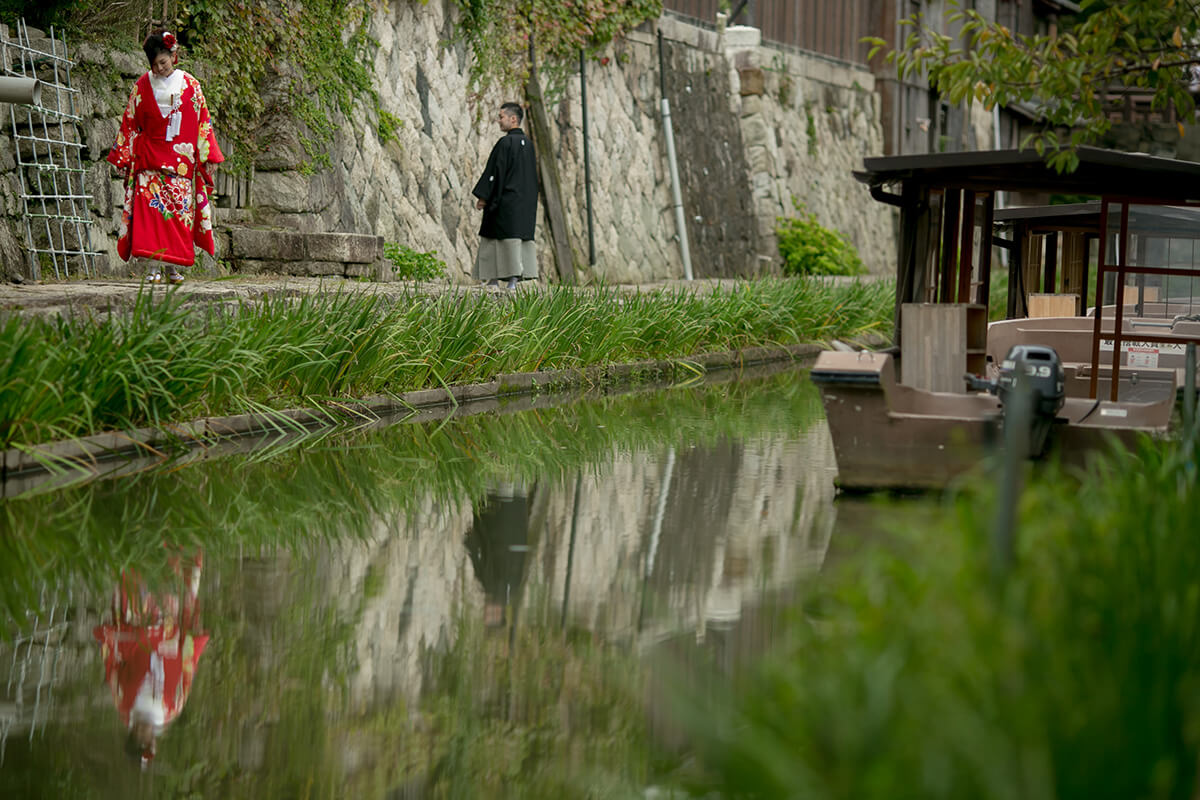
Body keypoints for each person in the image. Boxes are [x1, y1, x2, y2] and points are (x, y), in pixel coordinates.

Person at [107, 30, 224, 285]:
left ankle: (172, 267)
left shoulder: (191, 86)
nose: (160, 68)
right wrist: (123, 157)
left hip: (180, 162)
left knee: (178, 217)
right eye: (155, 64)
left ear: (174, 55)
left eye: (164, 62)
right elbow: (130, 122)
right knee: (151, 218)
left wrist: (209, 156)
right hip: (149, 160)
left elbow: (204, 122)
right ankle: (152, 267)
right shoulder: (141, 85)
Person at [93, 549, 208, 769]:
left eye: (141, 740)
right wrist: (193, 641)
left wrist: (114, 637)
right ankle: (171, 533)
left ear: (133, 736)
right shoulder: (173, 708)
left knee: (135, 566)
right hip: (168, 623)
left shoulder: (124, 702)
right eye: (149, 742)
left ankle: (135, 530)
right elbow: (187, 668)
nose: (146, 736)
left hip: (136, 621)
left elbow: (113, 664)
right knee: (168, 573)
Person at [472, 102, 538, 290]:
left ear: (513, 119)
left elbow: (495, 172)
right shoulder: (529, 145)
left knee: (496, 237)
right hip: (524, 204)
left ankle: (493, 280)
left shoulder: (506, 143)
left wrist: (484, 196)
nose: (498, 120)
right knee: (518, 238)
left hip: (505, 202)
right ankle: (513, 281)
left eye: (501, 117)